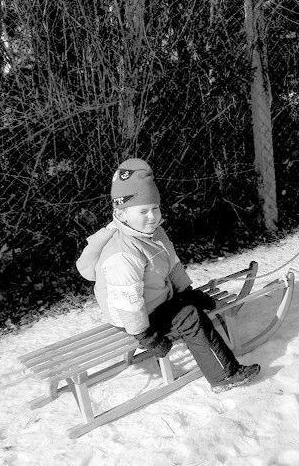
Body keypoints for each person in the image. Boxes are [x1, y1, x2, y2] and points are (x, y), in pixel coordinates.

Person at [76, 158, 260, 392]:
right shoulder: (122, 254)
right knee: (189, 317)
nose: (152, 216)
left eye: (155, 208)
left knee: (189, 305)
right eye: (143, 211)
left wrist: (187, 292)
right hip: (133, 318)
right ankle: (224, 376)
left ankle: (219, 360)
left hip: (156, 301)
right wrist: (145, 337)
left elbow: (172, 265)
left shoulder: (153, 232)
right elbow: (128, 302)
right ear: (121, 214)